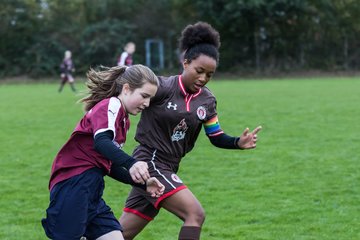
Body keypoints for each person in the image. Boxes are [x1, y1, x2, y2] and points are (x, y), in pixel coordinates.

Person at [118, 22, 262, 240]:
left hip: (170, 165)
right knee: (195, 214)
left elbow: (215, 135)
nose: (203, 78)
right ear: (185, 63)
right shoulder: (163, 87)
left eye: (210, 75)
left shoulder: (207, 100)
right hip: (150, 162)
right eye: (199, 71)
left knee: (120, 235)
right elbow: (131, 91)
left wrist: (236, 142)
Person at [42, 64, 165, 240]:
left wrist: (143, 184)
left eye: (150, 99)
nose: (147, 103)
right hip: (74, 184)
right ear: (127, 89)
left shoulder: (123, 118)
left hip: (91, 189)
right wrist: (132, 163)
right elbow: (102, 142)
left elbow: (109, 165)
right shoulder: (111, 105)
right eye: (144, 96)